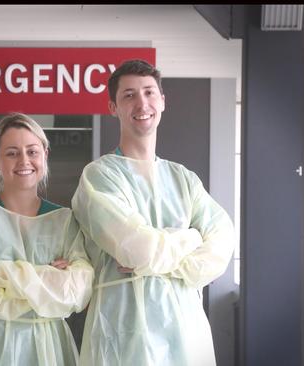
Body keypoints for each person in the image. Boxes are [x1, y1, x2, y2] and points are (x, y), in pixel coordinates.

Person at [72, 59, 235, 366]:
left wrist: (150, 260)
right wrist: (190, 238)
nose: (141, 103)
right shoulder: (100, 176)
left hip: (186, 332)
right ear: (113, 107)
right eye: (129, 95)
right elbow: (139, 249)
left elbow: (220, 249)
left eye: (149, 92)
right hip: (124, 331)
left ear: (162, 101)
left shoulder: (184, 179)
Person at [0, 113, 94, 366]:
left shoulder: (64, 220)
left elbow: (78, 290)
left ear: (45, 154)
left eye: (32, 151)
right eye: (12, 153)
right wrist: (45, 279)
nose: (24, 160)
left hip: (46, 348)